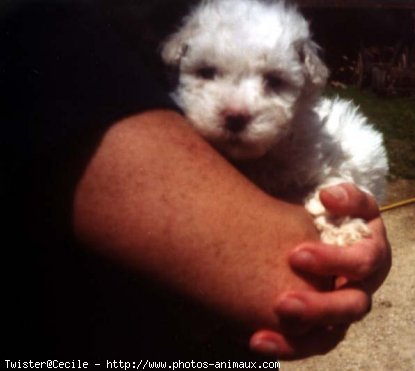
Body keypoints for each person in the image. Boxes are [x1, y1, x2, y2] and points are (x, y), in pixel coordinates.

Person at [1, 0, 391, 362]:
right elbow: (281, 276)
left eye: (273, 82)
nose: (237, 107)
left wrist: (345, 226)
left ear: (307, 81)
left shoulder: (307, 148)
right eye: (207, 73)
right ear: (178, 61)